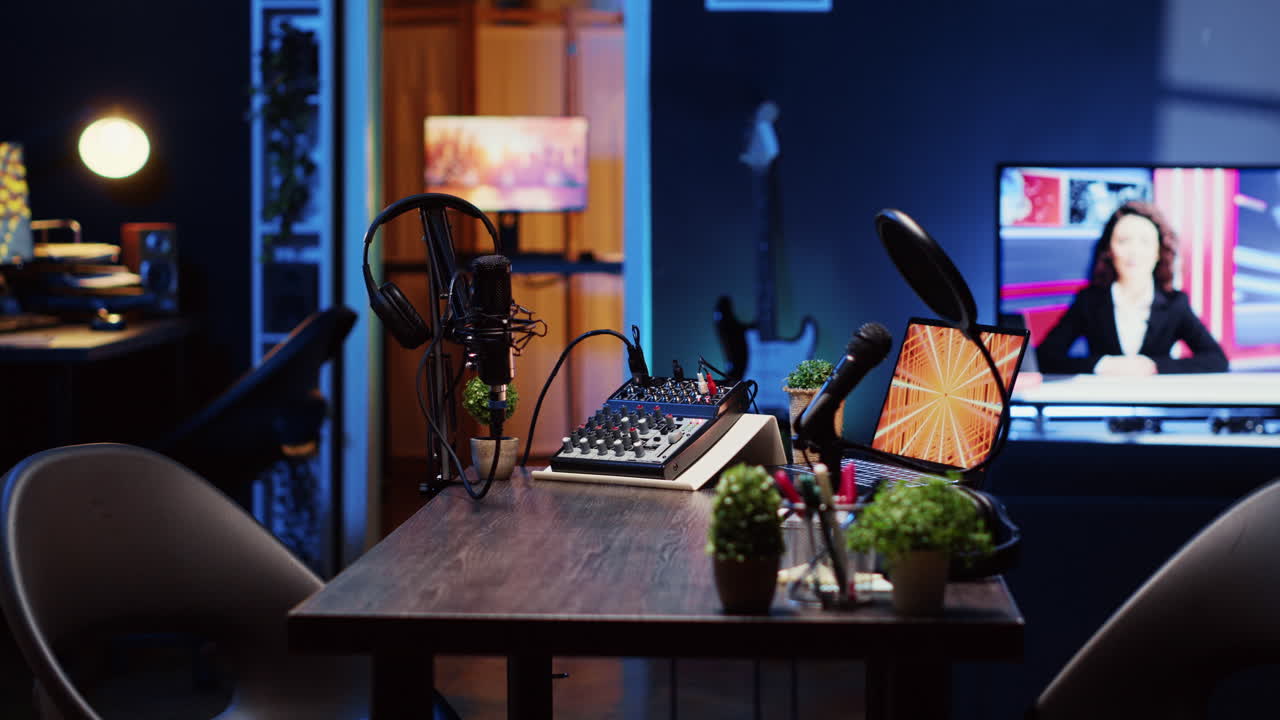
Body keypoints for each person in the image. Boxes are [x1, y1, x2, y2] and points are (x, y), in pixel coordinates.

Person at [1036, 201, 1228, 375]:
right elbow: (1045, 358)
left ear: (1158, 252)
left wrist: (1154, 366)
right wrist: (1103, 364)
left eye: (1144, 242)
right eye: (1123, 241)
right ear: (1109, 251)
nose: (1133, 252)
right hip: (1104, 405)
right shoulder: (1090, 300)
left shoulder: (1175, 303)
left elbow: (1216, 360)